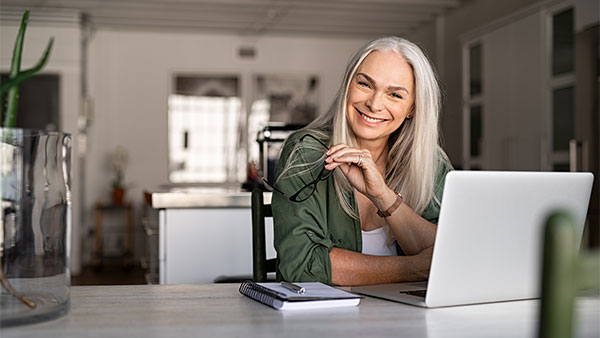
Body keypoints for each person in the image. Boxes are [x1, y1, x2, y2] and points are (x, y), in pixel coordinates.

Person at [268, 36, 453, 286]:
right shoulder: (307, 151)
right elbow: (301, 266)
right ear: (348, 85)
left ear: (412, 108)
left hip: (409, 317)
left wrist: (383, 196)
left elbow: (451, 256)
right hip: (322, 319)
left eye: (395, 95)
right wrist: (412, 268)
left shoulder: (431, 163)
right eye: (365, 84)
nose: (374, 104)